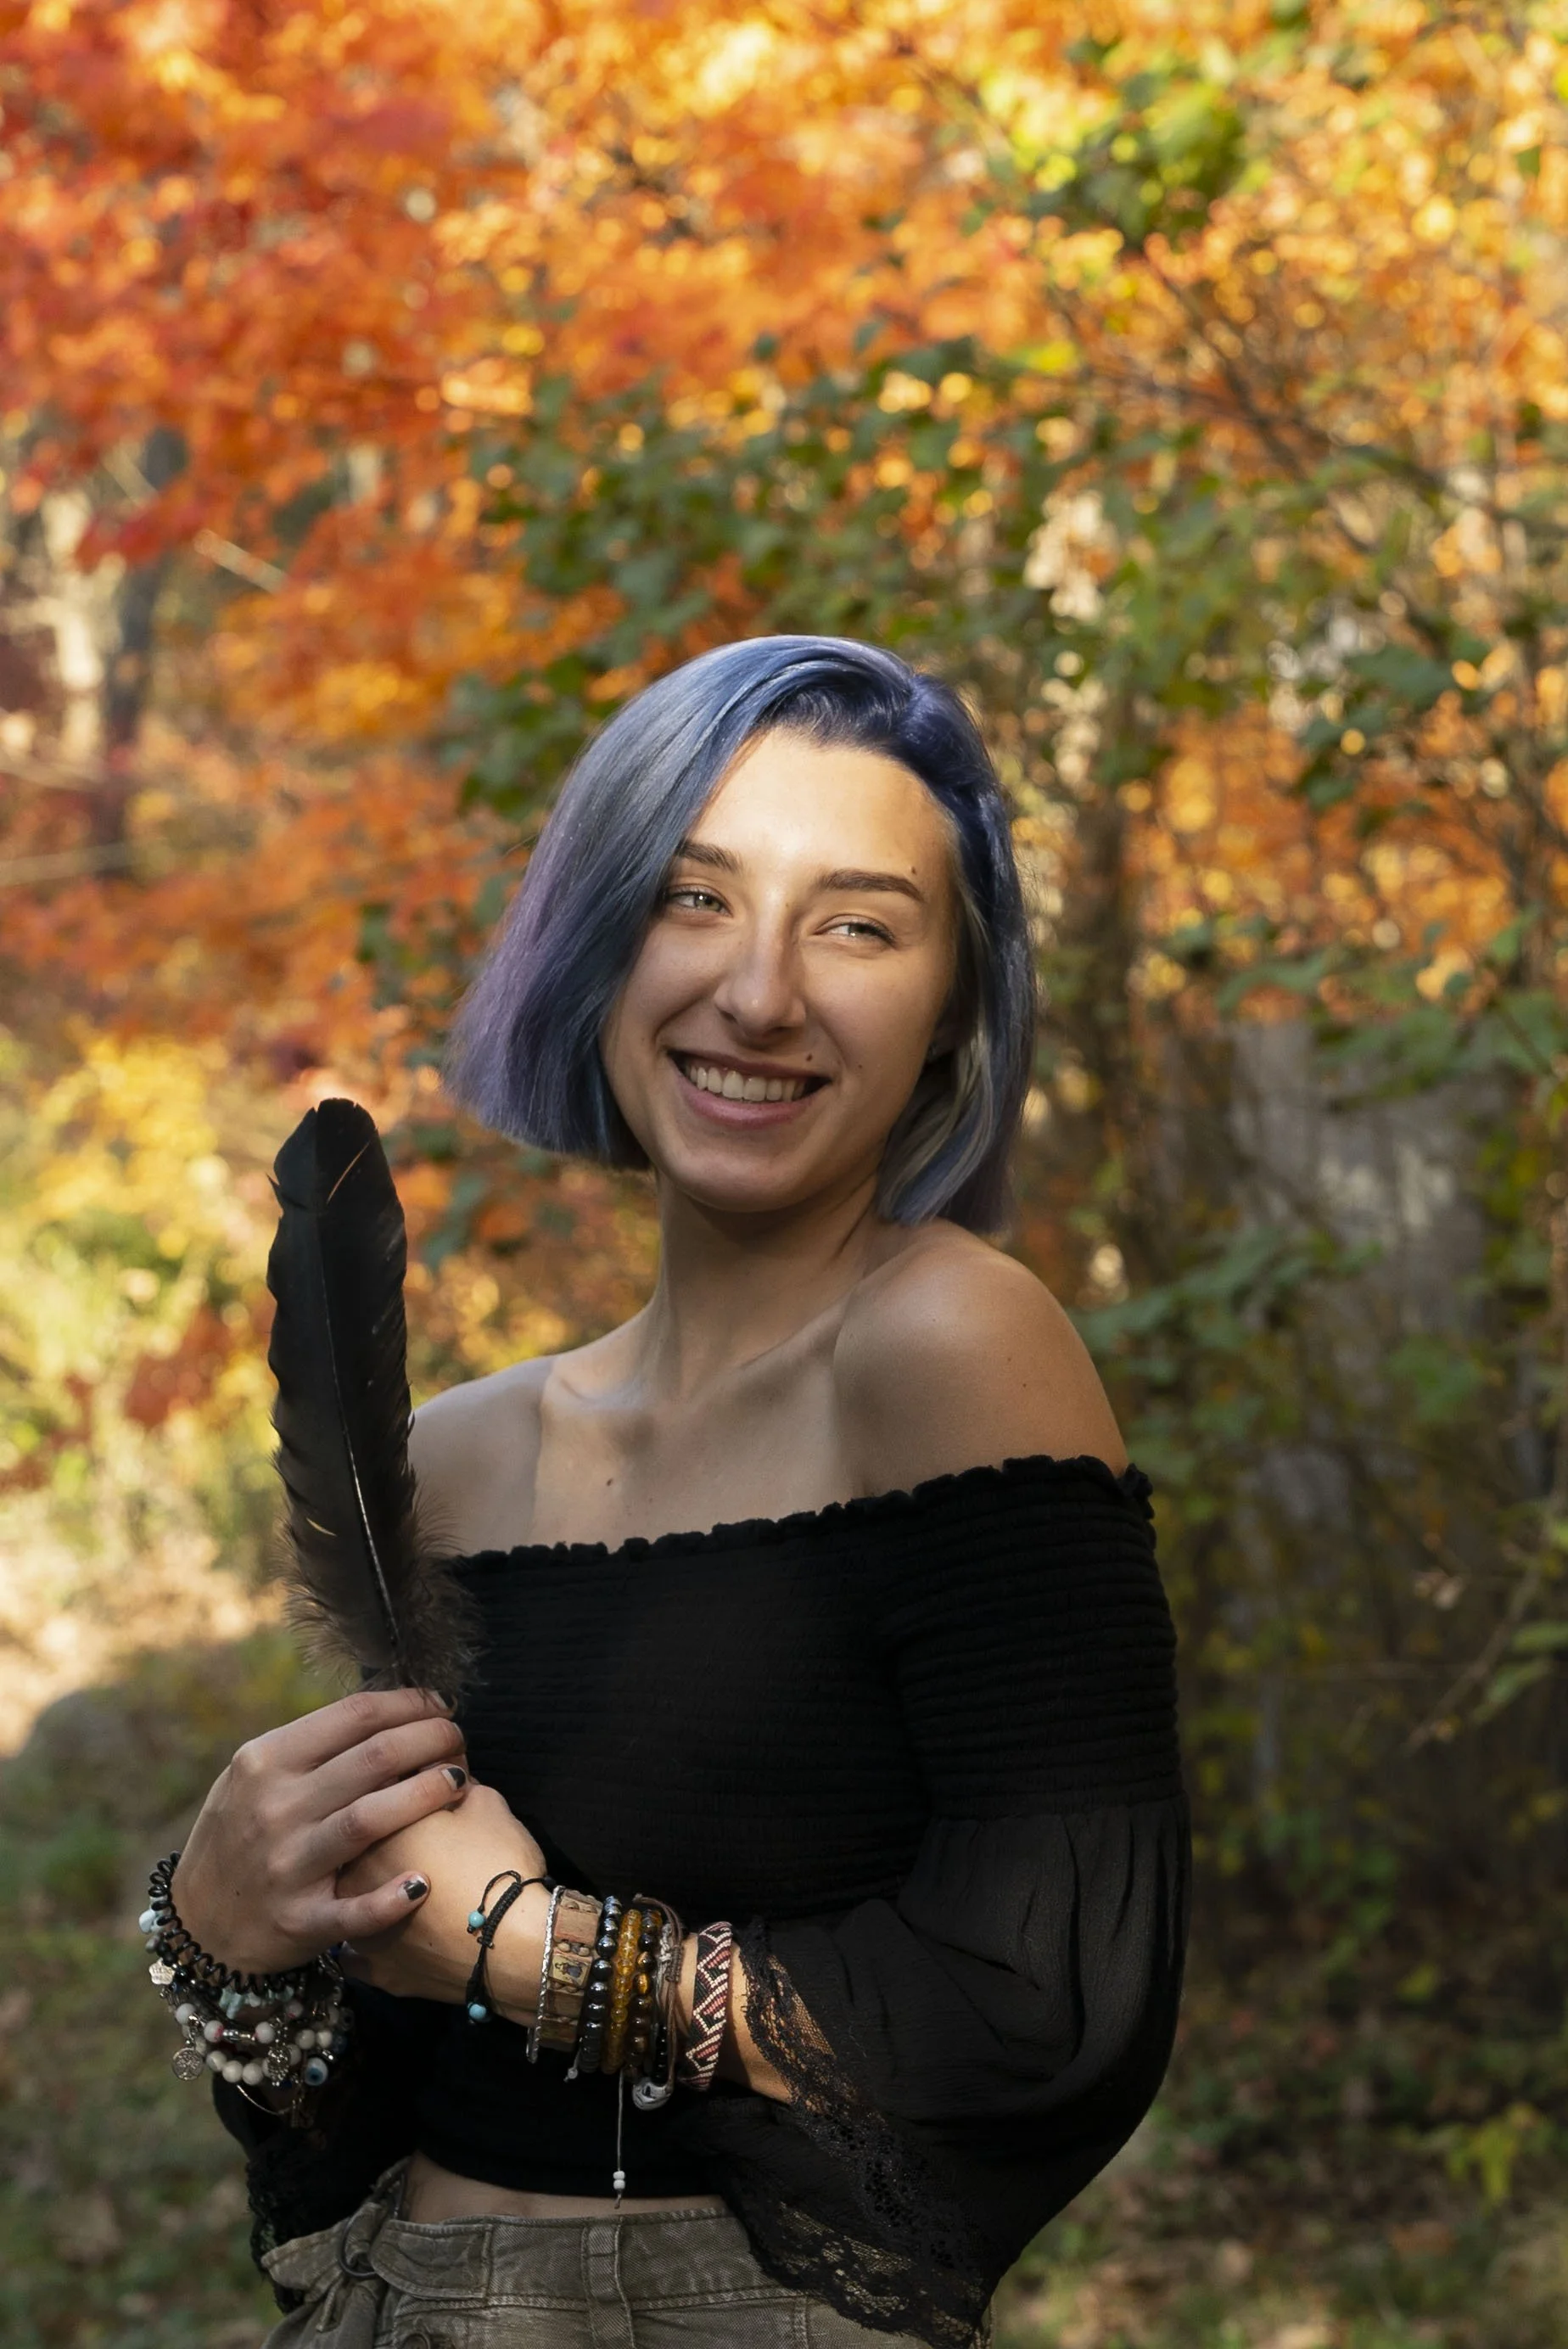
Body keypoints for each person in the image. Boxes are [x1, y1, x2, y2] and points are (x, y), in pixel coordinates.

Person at [165, 636, 1188, 2349]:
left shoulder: (951, 1343)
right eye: (695, 898)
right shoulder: (473, 1454)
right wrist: (222, 1932)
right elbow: (346, 2098)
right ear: (598, 943)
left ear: (949, 1008)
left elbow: (1046, 2002)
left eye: (858, 922)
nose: (763, 992)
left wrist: (516, 1939)